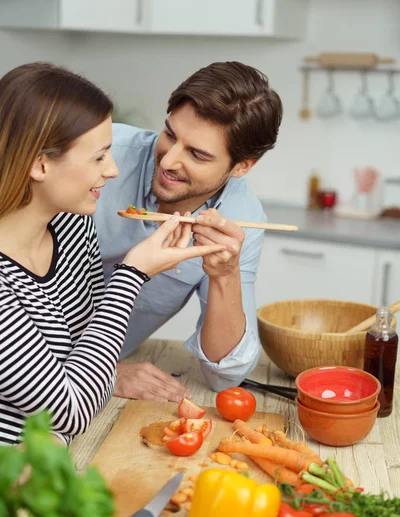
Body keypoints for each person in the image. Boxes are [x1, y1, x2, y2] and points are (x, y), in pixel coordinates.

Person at [0, 62, 226, 446]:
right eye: (99, 157)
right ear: (40, 164)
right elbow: (71, 409)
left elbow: (82, 358)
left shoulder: (71, 227)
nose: (113, 170)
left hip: (49, 466)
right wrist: (132, 273)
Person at [95, 61, 283, 400]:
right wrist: (104, 374)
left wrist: (225, 275)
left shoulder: (241, 219)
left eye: (197, 154)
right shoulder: (102, 154)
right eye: (169, 134)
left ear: (242, 166)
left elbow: (226, 374)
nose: (167, 161)